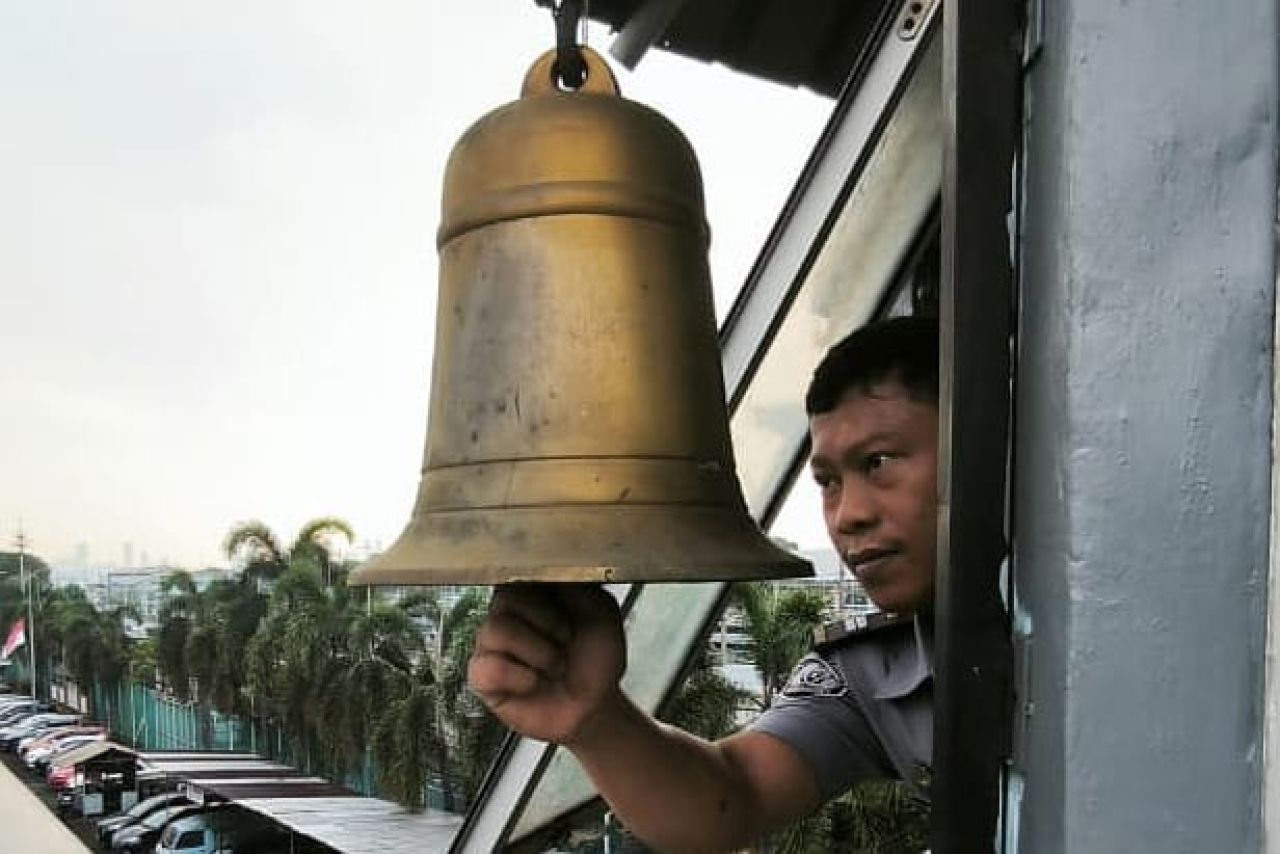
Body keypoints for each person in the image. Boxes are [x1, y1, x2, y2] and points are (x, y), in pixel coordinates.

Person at [468, 315, 939, 852]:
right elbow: (733, 798)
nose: (847, 515)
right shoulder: (875, 675)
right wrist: (597, 721)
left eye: (878, 462)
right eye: (829, 481)